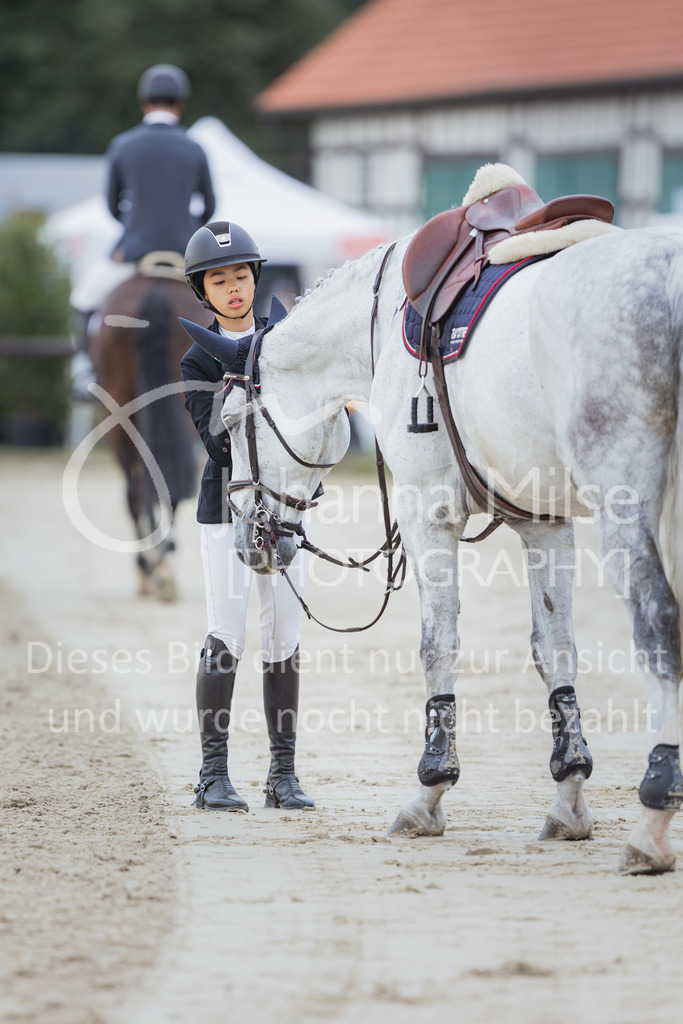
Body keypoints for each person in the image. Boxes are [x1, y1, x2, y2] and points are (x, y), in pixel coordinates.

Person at [180, 221, 315, 813]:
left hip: (287, 509)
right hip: (227, 510)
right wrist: (247, 379)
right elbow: (216, 441)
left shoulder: (287, 342)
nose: (233, 287)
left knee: (285, 635)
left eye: (241, 275)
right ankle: (213, 775)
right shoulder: (196, 360)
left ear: (255, 278)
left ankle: (282, 774)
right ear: (203, 291)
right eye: (219, 279)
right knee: (227, 635)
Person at [71, 64, 216, 399]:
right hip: (184, 257)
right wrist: (185, 227)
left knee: (83, 301)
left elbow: (111, 205)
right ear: (181, 102)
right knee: (224, 306)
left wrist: (134, 228)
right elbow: (208, 205)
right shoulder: (195, 148)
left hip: (133, 254)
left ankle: (85, 371)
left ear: (143, 103)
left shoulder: (123, 145)